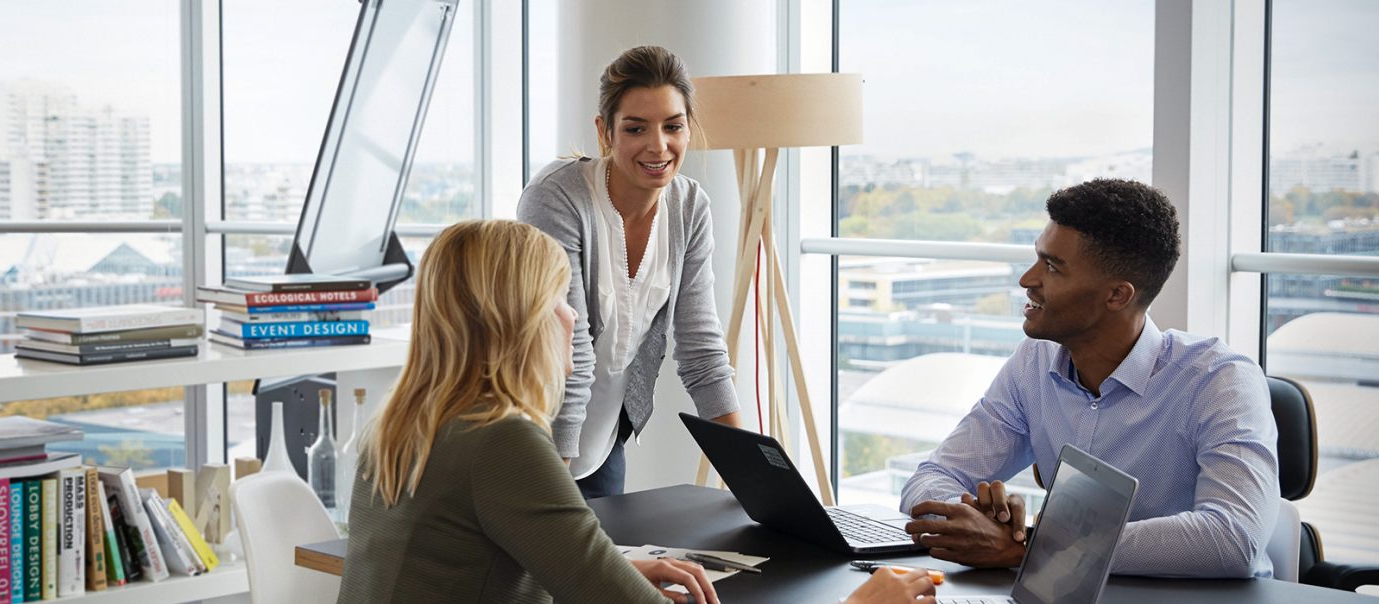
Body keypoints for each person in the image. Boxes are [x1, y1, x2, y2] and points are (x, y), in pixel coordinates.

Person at [338, 220, 938, 603]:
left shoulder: (398, 424)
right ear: (517, 322)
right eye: (558, 302)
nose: (572, 320)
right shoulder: (502, 441)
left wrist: (616, 572)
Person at [898, 179, 1279, 579]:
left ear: (1117, 296)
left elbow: (1233, 539)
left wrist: (1030, 545)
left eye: (1052, 267)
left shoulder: (1219, 381)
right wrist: (973, 517)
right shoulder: (1034, 361)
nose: (1027, 279)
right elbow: (930, 479)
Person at [518, 45, 739, 500]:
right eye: (636, 128)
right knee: (551, 567)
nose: (658, 146)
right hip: (532, 437)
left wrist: (756, 481)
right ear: (605, 132)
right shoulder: (556, 198)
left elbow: (702, 350)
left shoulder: (689, 207)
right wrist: (554, 502)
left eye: (673, 126)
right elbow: (571, 354)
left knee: (608, 566)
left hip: (602, 441)